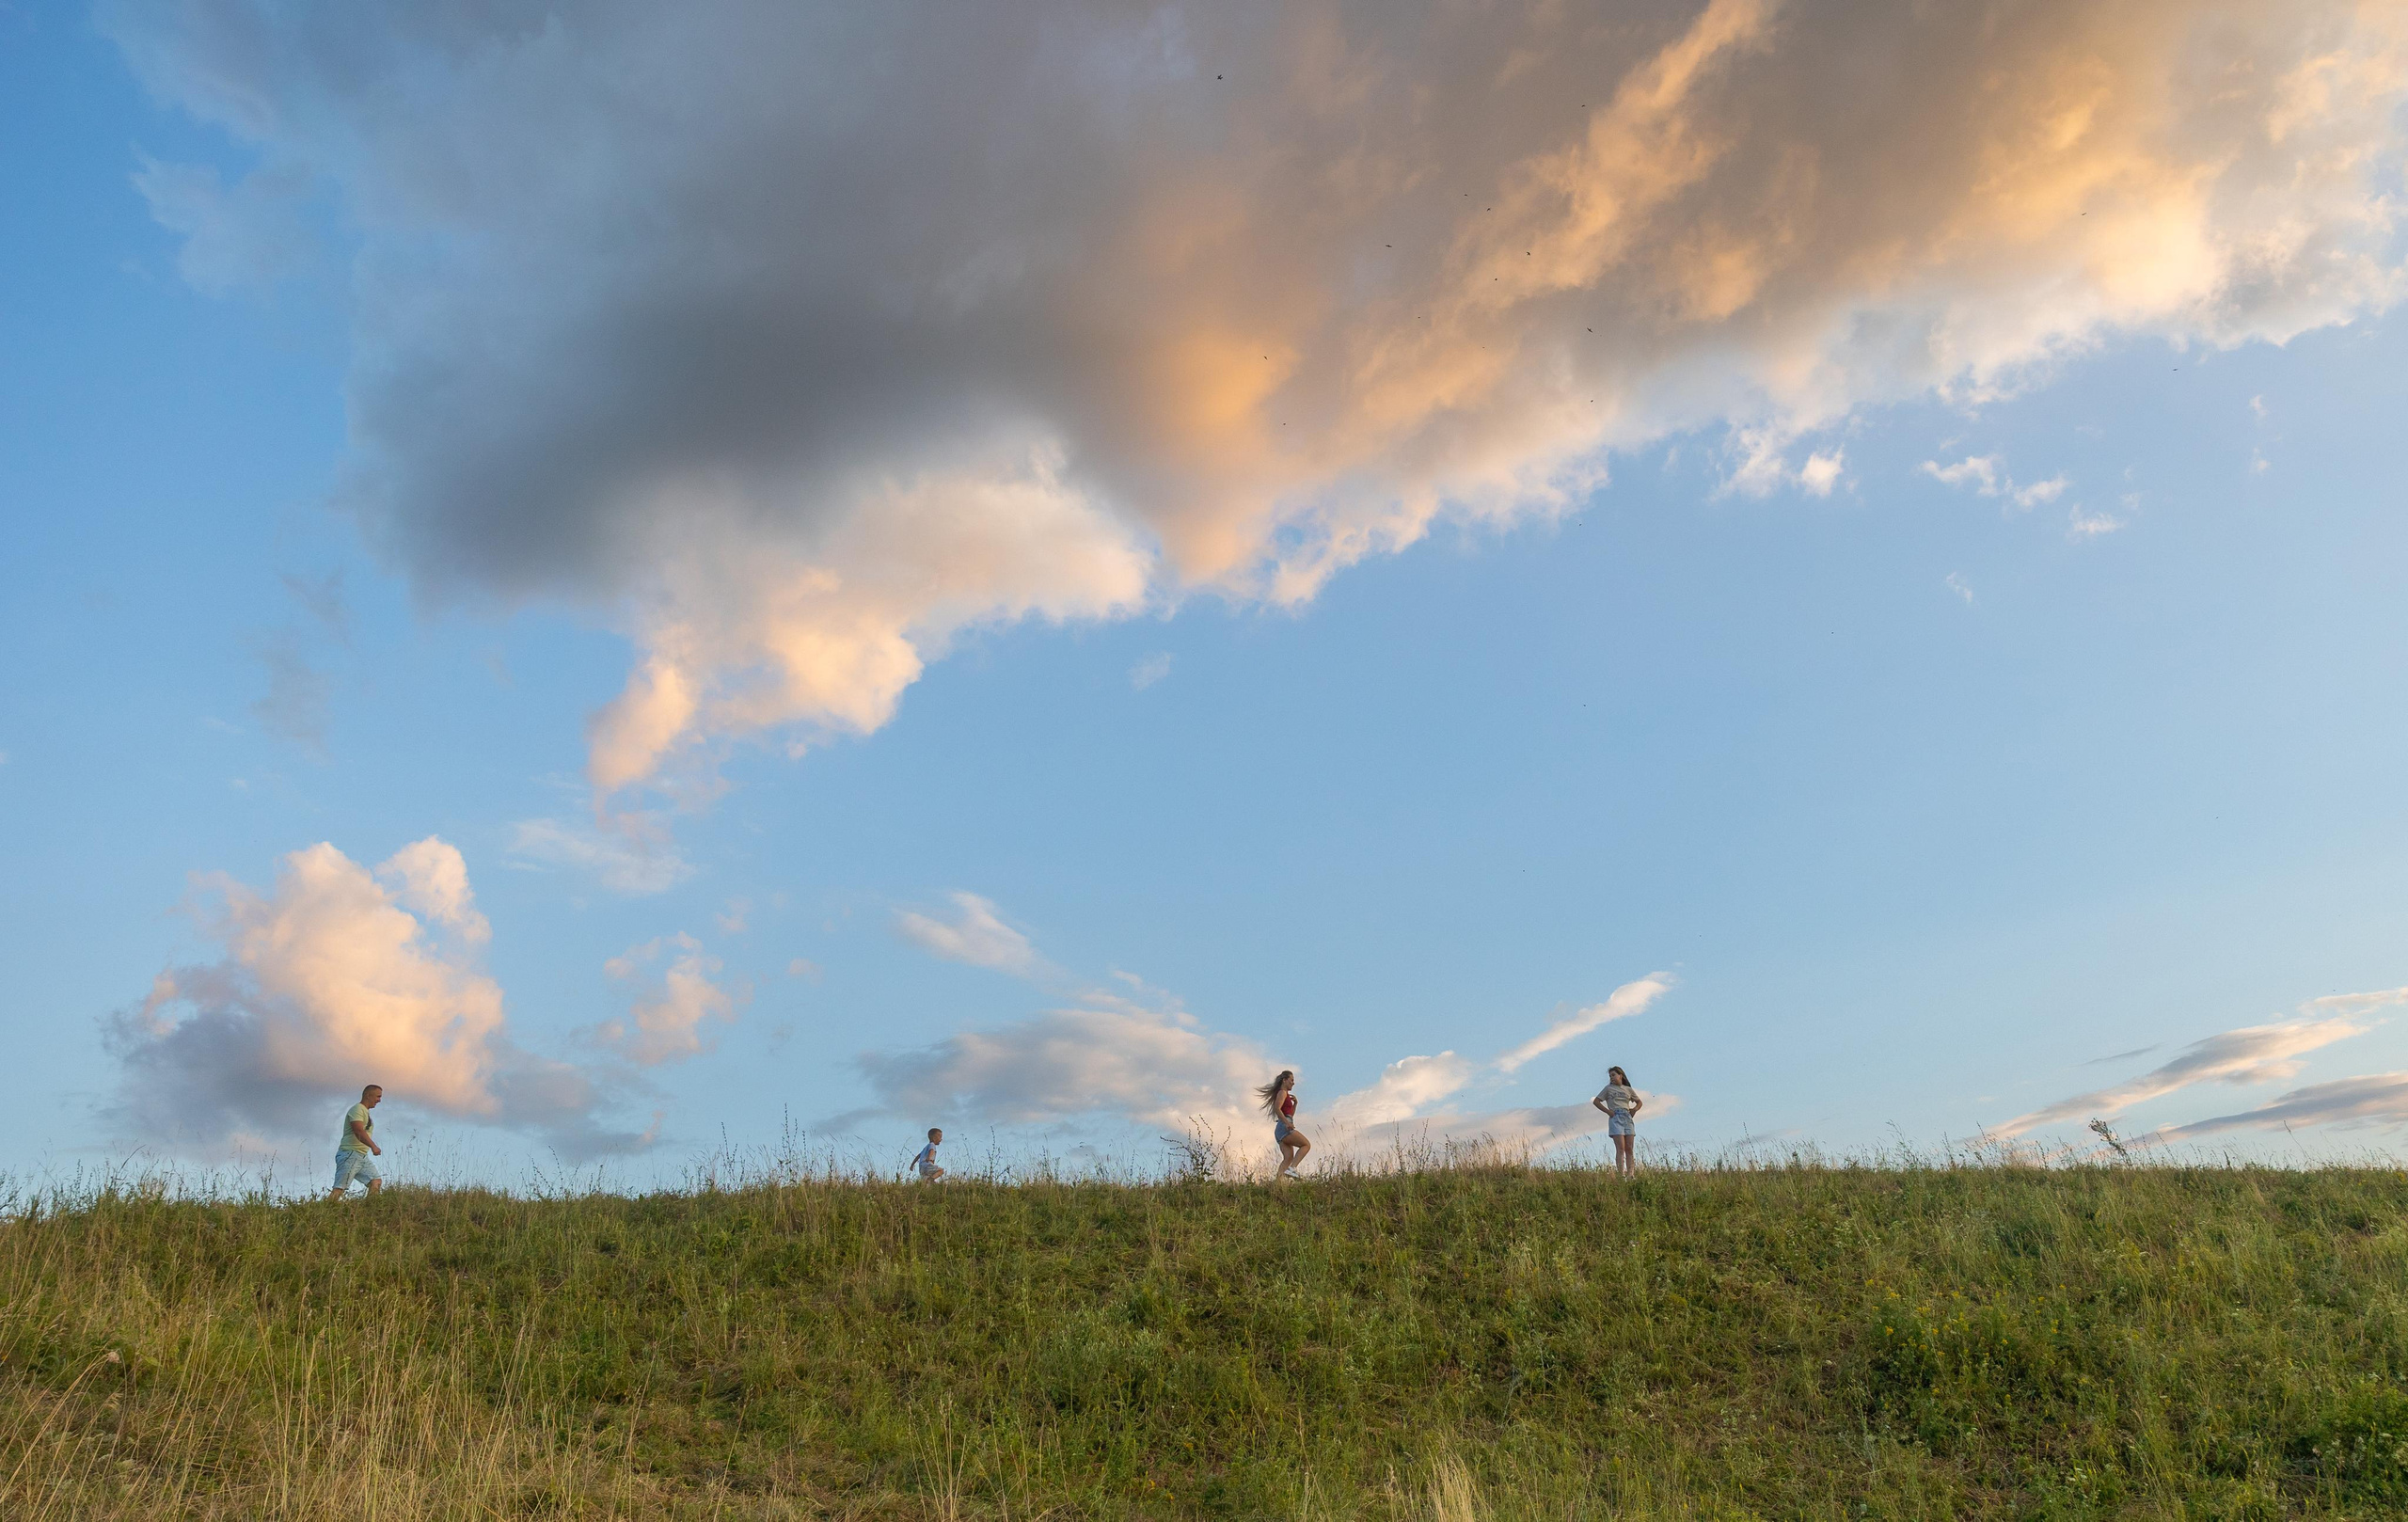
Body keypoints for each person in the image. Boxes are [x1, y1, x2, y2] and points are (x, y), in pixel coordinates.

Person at [327, 1084, 384, 1199]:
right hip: (350, 1154)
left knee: (376, 1181)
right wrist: (373, 1146)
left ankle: (369, 1209)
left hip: (361, 1156)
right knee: (339, 1189)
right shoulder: (357, 1109)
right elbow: (358, 1130)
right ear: (368, 1095)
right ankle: (324, 1212)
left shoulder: (365, 1112)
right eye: (378, 1097)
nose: (379, 1100)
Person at [1258, 1070, 1310, 1180]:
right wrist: (1287, 1123)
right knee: (1306, 1145)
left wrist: (1295, 1104)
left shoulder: (1285, 1095)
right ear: (1284, 1080)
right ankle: (1292, 1169)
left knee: (1288, 1157)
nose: (1293, 1083)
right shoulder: (1282, 1093)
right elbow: (1277, 1109)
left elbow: (1289, 1114)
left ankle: (1278, 1184)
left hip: (1281, 1129)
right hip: (1283, 1126)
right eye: (1291, 1080)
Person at [1592, 1066, 1642, 1178]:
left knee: (1629, 1148)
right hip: (1616, 1117)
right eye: (1610, 1076)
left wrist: (1634, 1110)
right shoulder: (1608, 1089)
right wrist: (1608, 1112)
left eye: (1613, 1075)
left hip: (1627, 1117)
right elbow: (1596, 1101)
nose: (1611, 1078)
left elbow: (1639, 1102)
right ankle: (1621, 1175)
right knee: (1621, 1148)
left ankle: (1631, 1175)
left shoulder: (1628, 1089)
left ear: (1621, 1075)